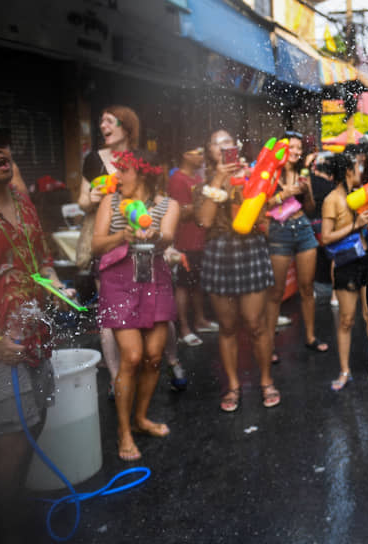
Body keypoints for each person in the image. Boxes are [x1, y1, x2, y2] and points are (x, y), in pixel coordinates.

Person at [92, 149, 179, 461]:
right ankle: (124, 431)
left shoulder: (169, 204)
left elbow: (168, 236)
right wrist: (122, 235)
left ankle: (141, 419)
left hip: (155, 281)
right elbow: (96, 244)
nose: (117, 177)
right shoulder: (110, 201)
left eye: (124, 171)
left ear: (142, 174)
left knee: (154, 357)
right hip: (118, 282)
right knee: (131, 356)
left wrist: (156, 235)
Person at [0, 139, 62, 542]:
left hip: (34, 333)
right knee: (13, 442)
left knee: (34, 424)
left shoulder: (21, 199)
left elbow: (40, 254)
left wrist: (53, 281)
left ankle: (12, 508)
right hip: (0, 348)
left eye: (0, 144)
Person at [195, 129, 279, 411]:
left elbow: (262, 212)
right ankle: (233, 385)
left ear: (237, 147)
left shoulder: (252, 174)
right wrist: (219, 177)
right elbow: (204, 221)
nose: (222, 148)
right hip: (219, 251)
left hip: (250, 248)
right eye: (216, 144)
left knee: (256, 324)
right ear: (209, 151)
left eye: (227, 143)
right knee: (228, 327)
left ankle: (266, 380)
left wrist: (254, 182)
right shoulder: (203, 182)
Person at [76, 106, 140, 399]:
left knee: (143, 306)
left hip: (139, 240)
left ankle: (144, 364)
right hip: (106, 241)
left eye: (109, 120)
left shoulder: (140, 160)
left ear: (126, 127)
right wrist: (90, 198)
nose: (103, 125)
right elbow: (81, 201)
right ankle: (117, 379)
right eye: (100, 120)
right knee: (110, 310)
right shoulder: (94, 159)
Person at [263, 131, 329, 356]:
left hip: (302, 227)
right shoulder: (271, 173)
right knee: (276, 292)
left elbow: (310, 208)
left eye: (299, 148)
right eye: (292, 147)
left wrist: (307, 190)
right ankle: (269, 344)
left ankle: (310, 337)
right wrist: (286, 193)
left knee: (307, 287)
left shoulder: (303, 174)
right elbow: (262, 206)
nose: (296, 152)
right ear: (281, 148)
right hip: (279, 231)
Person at [320, 153, 368, 390]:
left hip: (365, 260)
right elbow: (325, 237)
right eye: (356, 168)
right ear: (347, 172)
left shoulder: (360, 194)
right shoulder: (332, 199)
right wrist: (355, 225)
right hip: (345, 264)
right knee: (346, 320)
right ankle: (345, 371)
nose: (360, 171)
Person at [168, 145, 217, 348]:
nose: (202, 157)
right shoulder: (177, 179)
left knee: (196, 283)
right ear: (184, 154)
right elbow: (179, 211)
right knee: (182, 284)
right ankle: (184, 329)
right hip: (184, 240)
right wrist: (198, 207)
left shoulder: (197, 178)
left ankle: (200, 320)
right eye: (197, 153)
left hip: (200, 238)